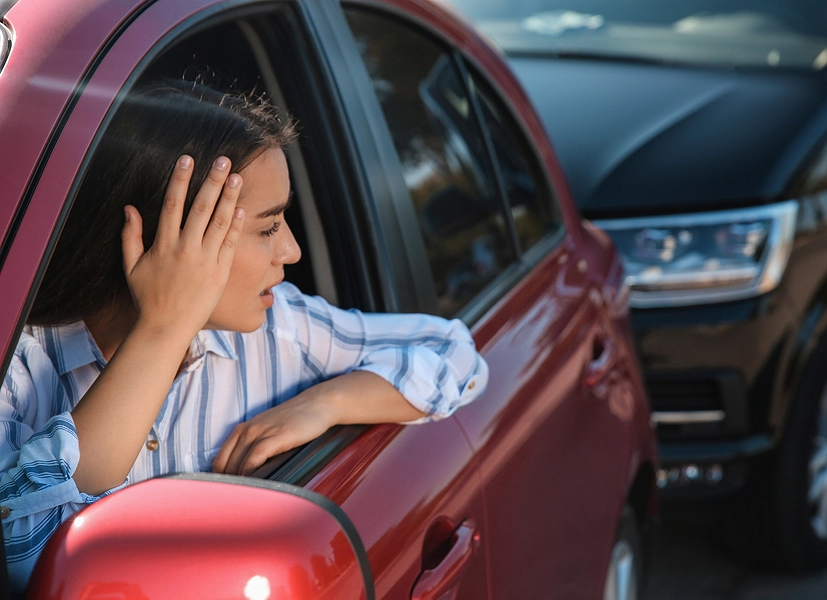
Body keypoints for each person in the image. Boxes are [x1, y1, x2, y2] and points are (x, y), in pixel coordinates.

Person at [0, 80, 488, 592]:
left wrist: (324, 404)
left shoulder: (279, 330)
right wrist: (163, 330)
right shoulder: (19, 360)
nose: (293, 251)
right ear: (168, 238)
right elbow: (22, 552)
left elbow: (452, 350)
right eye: (268, 227)